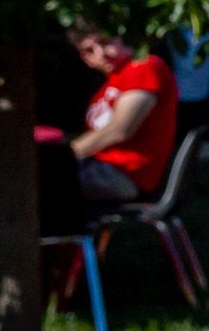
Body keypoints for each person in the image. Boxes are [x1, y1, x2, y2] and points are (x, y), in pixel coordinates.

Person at [65, 23, 178, 207]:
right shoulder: (110, 85)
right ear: (86, 59)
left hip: (127, 174)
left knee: (35, 183)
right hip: (104, 169)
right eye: (90, 50)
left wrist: (65, 154)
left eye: (105, 42)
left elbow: (119, 130)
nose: (101, 53)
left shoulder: (143, 66)